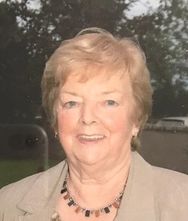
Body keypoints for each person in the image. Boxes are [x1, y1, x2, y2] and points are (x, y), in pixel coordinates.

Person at [0, 27, 188, 221]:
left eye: (109, 102)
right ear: (55, 120)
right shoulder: (7, 205)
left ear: (136, 119)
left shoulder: (182, 204)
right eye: (72, 102)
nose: (88, 117)